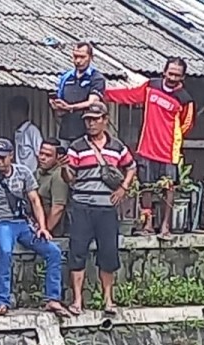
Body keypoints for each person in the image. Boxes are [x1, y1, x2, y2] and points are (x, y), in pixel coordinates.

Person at [0, 138, 66, 316]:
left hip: (23, 223)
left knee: (53, 251)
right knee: (5, 251)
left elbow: (35, 200)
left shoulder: (23, 172)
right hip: (1, 223)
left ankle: (52, 298)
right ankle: (1, 300)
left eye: (2, 158)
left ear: (11, 156)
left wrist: (42, 227)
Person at [105, 57, 196, 238]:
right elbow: (129, 95)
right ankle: (148, 224)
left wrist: (171, 136)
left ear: (183, 77)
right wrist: (104, 94)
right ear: (164, 72)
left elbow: (188, 124)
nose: (172, 77)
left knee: (169, 188)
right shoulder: (151, 87)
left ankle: (165, 226)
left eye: (177, 75)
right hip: (147, 146)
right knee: (146, 187)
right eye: (170, 73)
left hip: (169, 151)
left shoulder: (185, 99)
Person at [64, 102, 136, 316]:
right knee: (77, 252)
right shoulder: (76, 146)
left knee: (108, 254)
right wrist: (66, 171)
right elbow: (70, 176)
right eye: (88, 119)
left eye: (95, 119)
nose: (91, 123)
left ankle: (108, 299)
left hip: (107, 207)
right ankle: (77, 300)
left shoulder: (117, 146)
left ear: (105, 120)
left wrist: (123, 188)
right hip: (82, 206)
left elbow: (131, 166)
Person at [53, 42, 106, 145]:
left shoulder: (96, 78)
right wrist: (57, 106)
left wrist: (70, 107)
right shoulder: (65, 77)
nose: (78, 61)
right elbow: (60, 105)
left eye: (82, 57)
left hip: (86, 134)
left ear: (90, 57)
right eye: (75, 57)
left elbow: (92, 102)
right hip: (66, 132)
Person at [35, 141, 70, 236]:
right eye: (41, 153)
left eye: (48, 155)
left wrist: (45, 230)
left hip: (54, 232)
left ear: (58, 157)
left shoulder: (59, 176)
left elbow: (58, 208)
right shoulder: (38, 172)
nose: (42, 158)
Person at [10, 96, 43, 174]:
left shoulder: (32, 131)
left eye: (12, 112)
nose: (10, 116)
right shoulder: (17, 133)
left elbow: (40, 155)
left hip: (32, 175)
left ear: (20, 112)